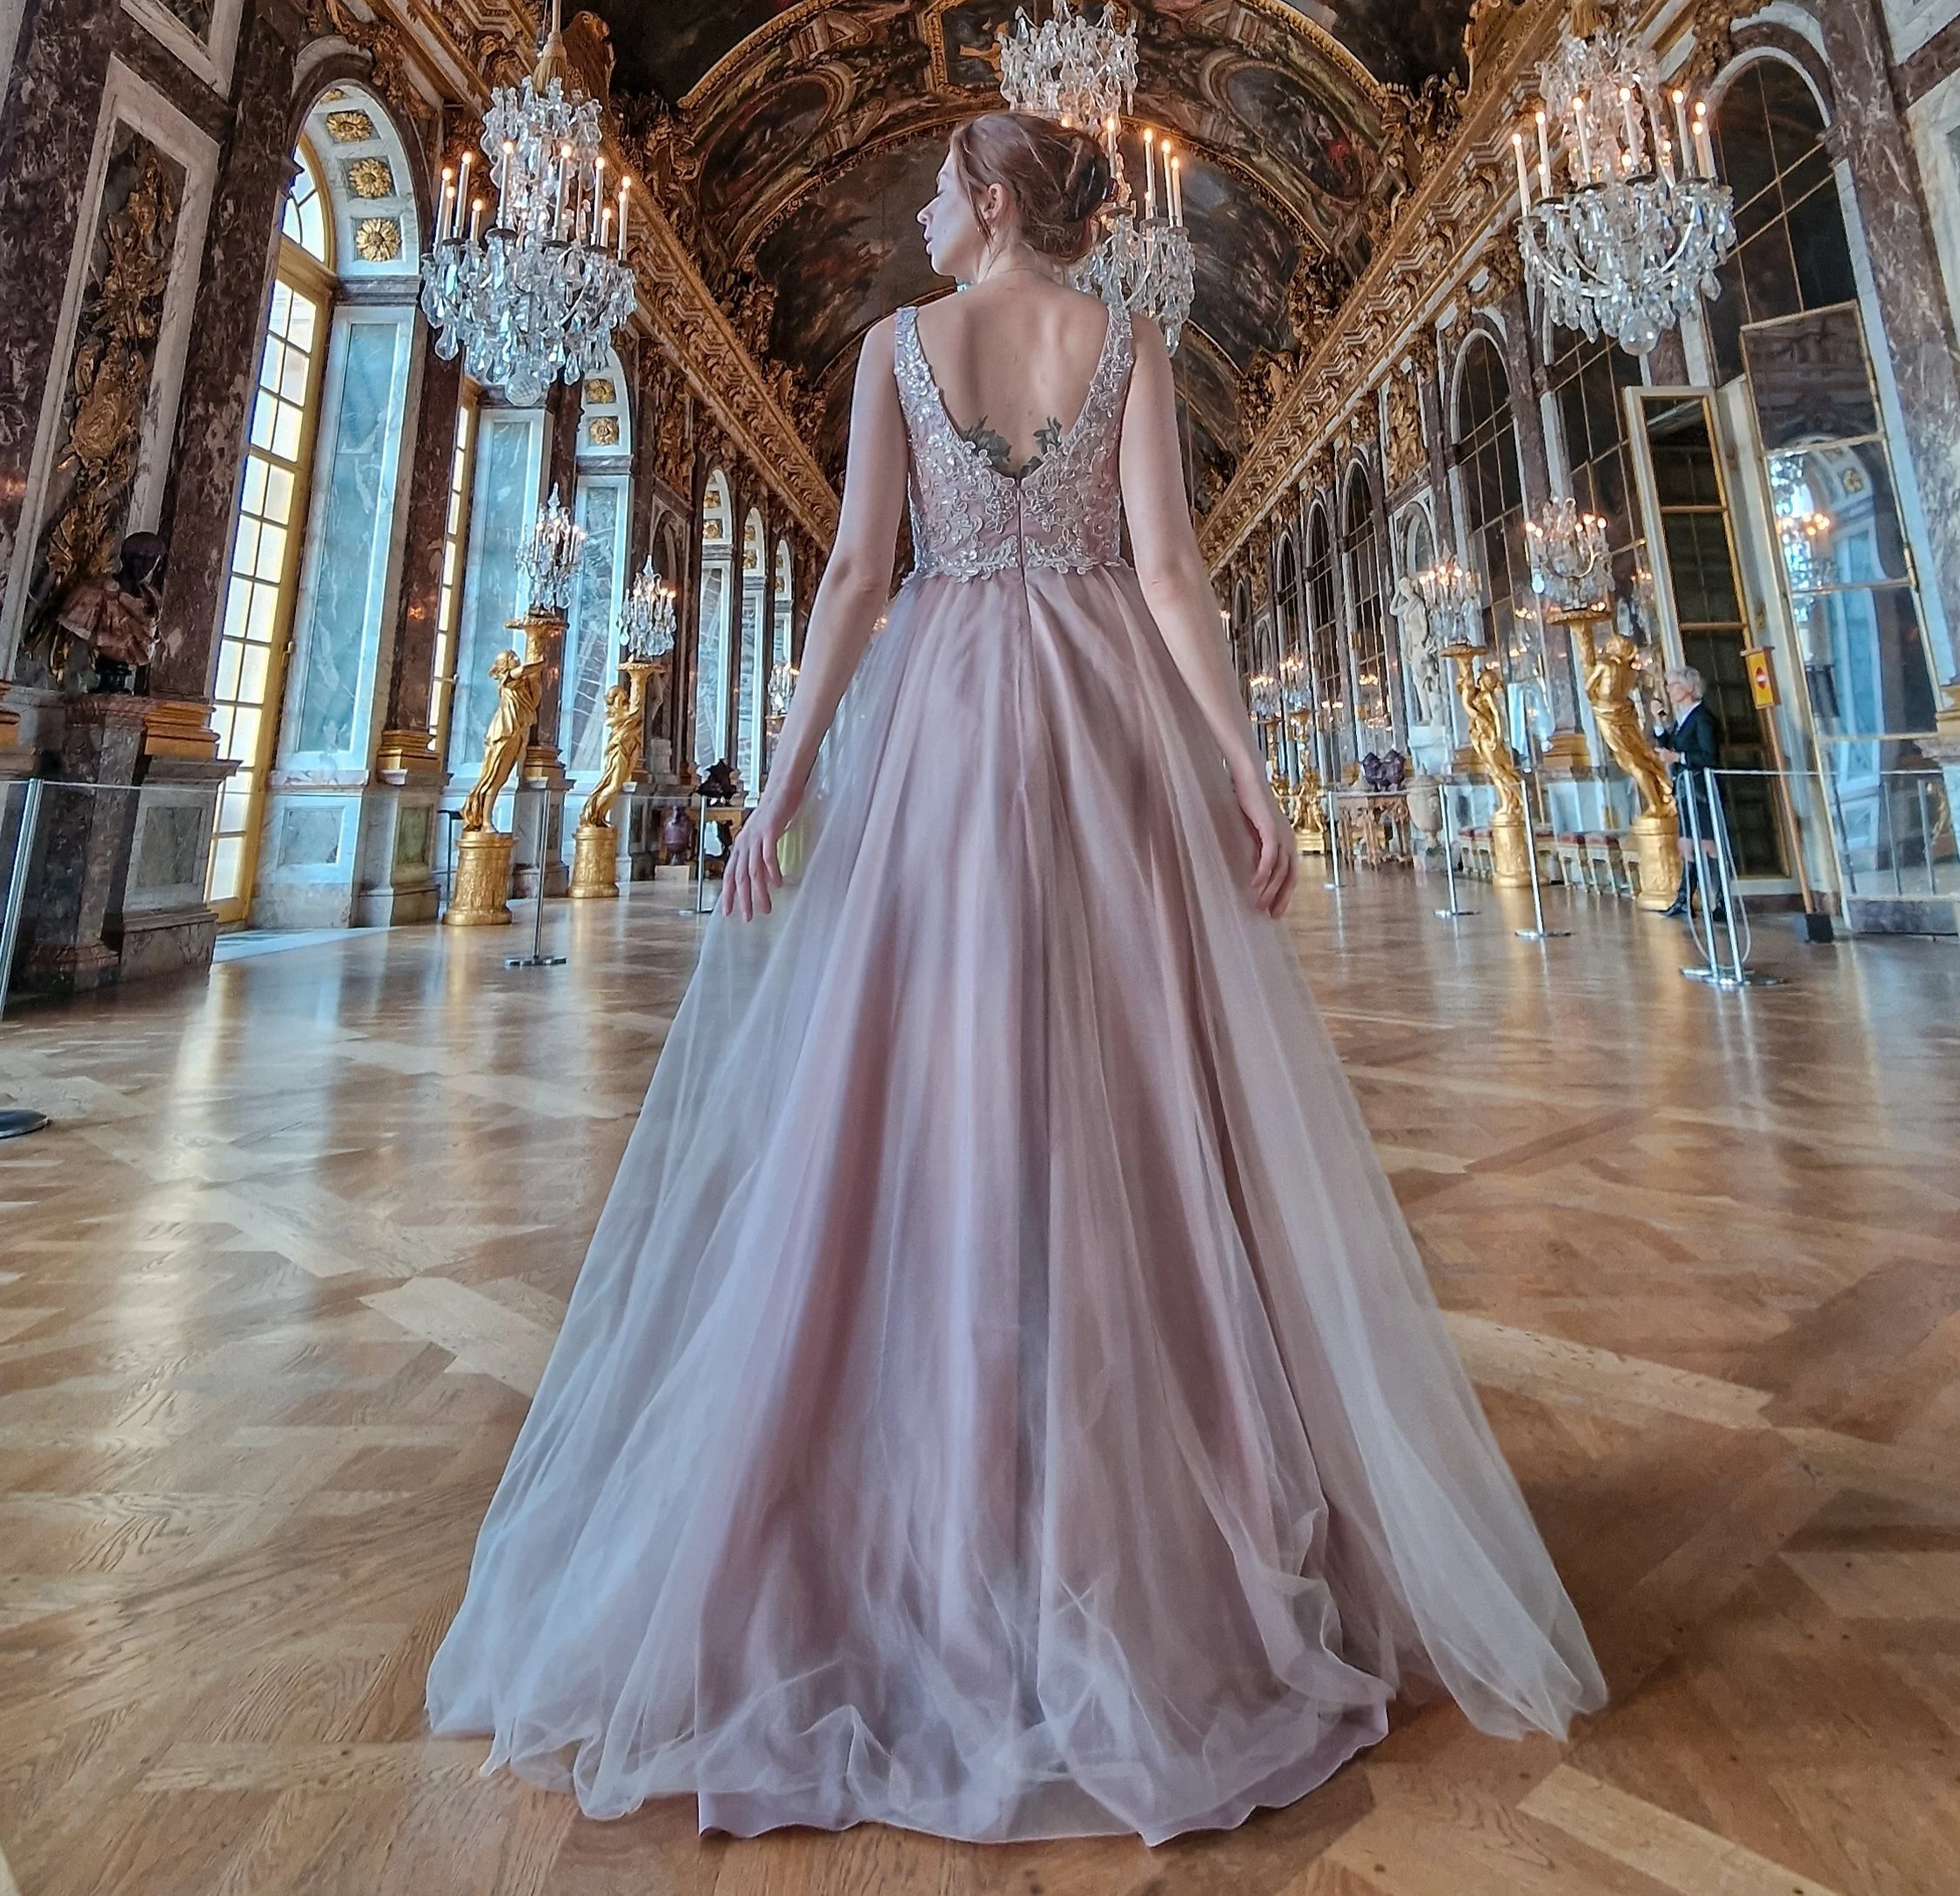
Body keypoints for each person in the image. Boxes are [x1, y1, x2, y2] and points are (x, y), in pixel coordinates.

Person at [426, 112, 1603, 1839]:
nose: (911, 206)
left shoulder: (900, 348)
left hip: (949, 722)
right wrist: (1240, 769)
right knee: (1123, 1081)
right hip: (1104, 727)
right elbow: (1172, 578)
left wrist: (784, 773)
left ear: (985, 203)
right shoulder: (1123, 343)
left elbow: (851, 576)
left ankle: (935, 1475)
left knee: (920, 1083)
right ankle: (1128, 1477)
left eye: (933, 184)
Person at [1658, 663, 1722, 922]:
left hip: (1701, 791)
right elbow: (1669, 745)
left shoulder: (1702, 718)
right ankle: (1685, 899)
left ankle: (1722, 901)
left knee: (1708, 846)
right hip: (1685, 789)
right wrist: (1659, 724)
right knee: (1686, 845)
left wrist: (1678, 756)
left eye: (1673, 684)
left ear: (1688, 688)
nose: (1669, 689)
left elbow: (1710, 756)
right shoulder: (1683, 717)